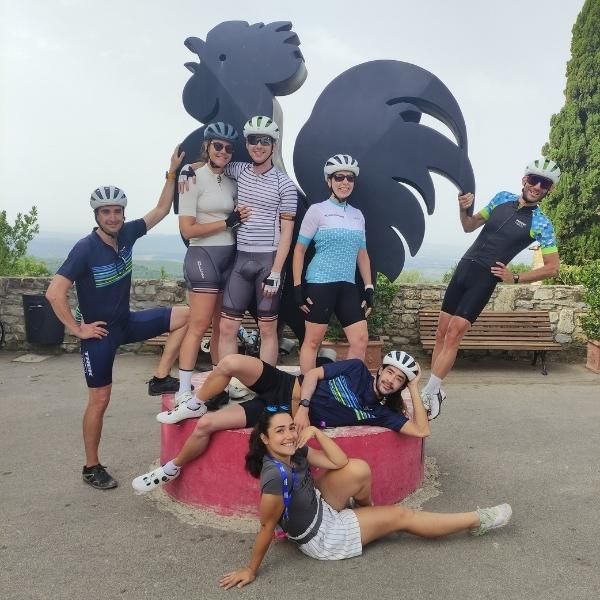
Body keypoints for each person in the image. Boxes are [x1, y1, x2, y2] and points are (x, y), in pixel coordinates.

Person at [218, 409, 512, 588]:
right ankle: (479, 520)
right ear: (265, 439)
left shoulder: (295, 451)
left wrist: (316, 434)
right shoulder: (275, 475)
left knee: (357, 468)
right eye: (280, 431)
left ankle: (370, 517)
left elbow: (338, 461)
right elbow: (267, 527)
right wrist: (250, 569)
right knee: (403, 517)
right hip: (325, 536)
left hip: (318, 507)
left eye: (291, 427)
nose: (289, 435)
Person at [45, 147, 189, 490]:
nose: (113, 217)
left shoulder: (126, 234)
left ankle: (159, 377)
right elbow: (54, 292)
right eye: (106, 212)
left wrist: (171, 173)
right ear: (97, 215)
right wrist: (77, 329)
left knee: (189, 315)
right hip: (99, 335)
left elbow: (160, 210)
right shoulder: (85, 248)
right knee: (100, 400)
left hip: (126, 322)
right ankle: (91, 467)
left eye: (117, 211)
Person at [132, 350, 429, 493]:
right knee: (231, 363)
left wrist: (414, 386)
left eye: (399, 379)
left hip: (279, 414)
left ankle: (170, 470)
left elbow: (421, 429)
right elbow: (312, 374)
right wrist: (304, 407)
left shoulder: (382, 413)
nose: (391, 380)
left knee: (207, 426)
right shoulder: (356, 369)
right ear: (381, 371)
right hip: (288, 388)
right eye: (390, 372)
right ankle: (195, 404)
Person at [422, 158, 561, 419]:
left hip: (485, 278)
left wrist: (516, 278)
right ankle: (435, 389)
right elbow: (469, 226)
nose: (538, 186)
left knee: (454, 334)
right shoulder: (501, 198)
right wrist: (462, 209)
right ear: (524, 179)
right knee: (441, 332)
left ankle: (430, 390)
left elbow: (552, 267)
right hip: (464, 268)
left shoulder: (542, 223)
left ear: (549, 190)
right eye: (534, 179)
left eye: (545, 183)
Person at [179, 115, 297, 407]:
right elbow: (209, 165)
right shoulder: (238, 169)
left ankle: (267, 384)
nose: (258, 146)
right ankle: (232, 383)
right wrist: (183, 171)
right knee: (228, 328)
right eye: (253, 140)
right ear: (247, 143)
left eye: (265, 141)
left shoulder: (285, 185)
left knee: (267, 329)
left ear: (274, 144)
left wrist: (277, 271)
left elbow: (287, 234)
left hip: (267, 261)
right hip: (240, 258)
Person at [175, 122, 250, 400]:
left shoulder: (231, 181)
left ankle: (219, 384)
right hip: (202, 255)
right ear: (207, 146)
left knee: (222, 325)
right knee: (199, 324)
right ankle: (184, 388)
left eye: (229, 148)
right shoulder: (191, 178)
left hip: (229, 257)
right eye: (218, 145)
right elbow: (187, 229)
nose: (223, 151)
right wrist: (226, 222)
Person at [293, 154, 374, 373]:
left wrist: (368, 287)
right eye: (339, 177)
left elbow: (363, 254)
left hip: (347, 286)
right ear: (329, 181)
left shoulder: (358, 215)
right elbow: (299, 250)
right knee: (312, 342)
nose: (345, 182)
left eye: (350, 178)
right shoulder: (317, 210)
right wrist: (298, 287)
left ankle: (345, 390)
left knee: (360, 340)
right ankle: (307, 394)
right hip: (320, 284)